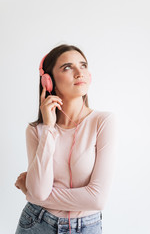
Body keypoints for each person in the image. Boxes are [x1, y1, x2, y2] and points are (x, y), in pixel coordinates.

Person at [14, 44, 117, 234]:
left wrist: (31, 193)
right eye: (67, 67)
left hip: (87, 226)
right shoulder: (35, 131)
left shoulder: (103, 122)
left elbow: (97, 199)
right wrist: (48, 129)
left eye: (83, 65)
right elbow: (39, 191)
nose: (80, 73)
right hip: (36, 223)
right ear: (48, 81)